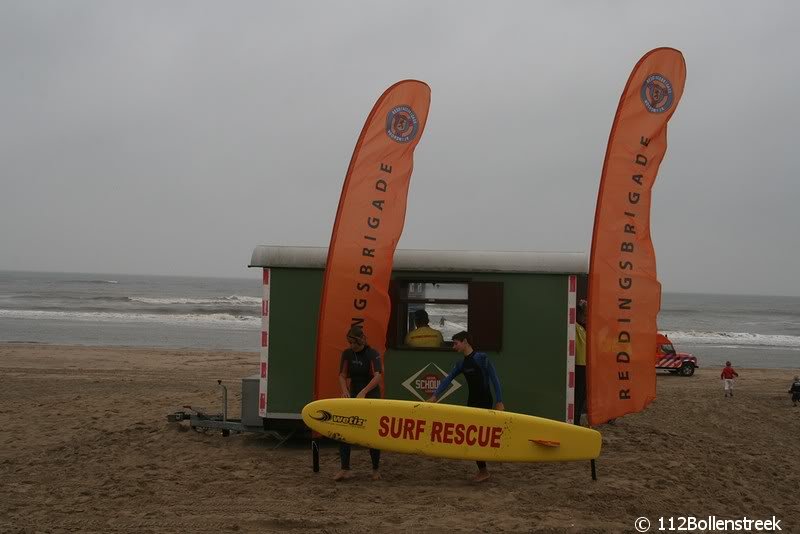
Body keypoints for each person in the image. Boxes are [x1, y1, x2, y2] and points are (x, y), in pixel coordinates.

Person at [427, 331, 504, 482]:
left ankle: (485, 468)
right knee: (473, 438)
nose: (454, 346)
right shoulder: (461, 364)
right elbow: (447, 380)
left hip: (485, 402)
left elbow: (494, 379)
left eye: (456, 343)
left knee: (483, 436)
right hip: (472, 403)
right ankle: (483, 470)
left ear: (465, 341)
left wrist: (499, 401)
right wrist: (435, 396)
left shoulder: (482, 358)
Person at [334, 326, 383, 481]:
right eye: (349, 343)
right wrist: (344, 390)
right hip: (353, 395)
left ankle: (375, 469)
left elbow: (378, 376)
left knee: (372, 433)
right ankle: (345, 468)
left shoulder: (372, 353)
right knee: (344, 431)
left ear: (361, 339)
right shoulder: (347, 354)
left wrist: (364, 392)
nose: (351, 346)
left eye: (354, 343)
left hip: (371, 396)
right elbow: (342, 375)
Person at [574, 300, 587, 425]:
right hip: (579, 364)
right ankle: (576, 419)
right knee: (578, 394)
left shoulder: (584, 328)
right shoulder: (575, 326)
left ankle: (578, 417)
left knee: (583, 394)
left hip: (586, 365)